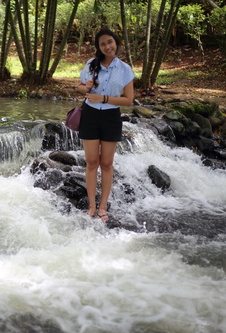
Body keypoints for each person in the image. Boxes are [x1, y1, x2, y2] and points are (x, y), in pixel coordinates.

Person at [77, 28, 135, 222]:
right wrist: (85, 87)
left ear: (116, 43)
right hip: (90, 115)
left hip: (111, 117)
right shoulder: (91, 65)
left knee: (107, 164)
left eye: (110, 42)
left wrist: (102, 97)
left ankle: (103, 207)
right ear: (98, 47)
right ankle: (91, 206)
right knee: (92, 162)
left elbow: (128, 100)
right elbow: (80, 86)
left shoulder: (125, 69)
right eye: (102, 44)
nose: (107, 46)